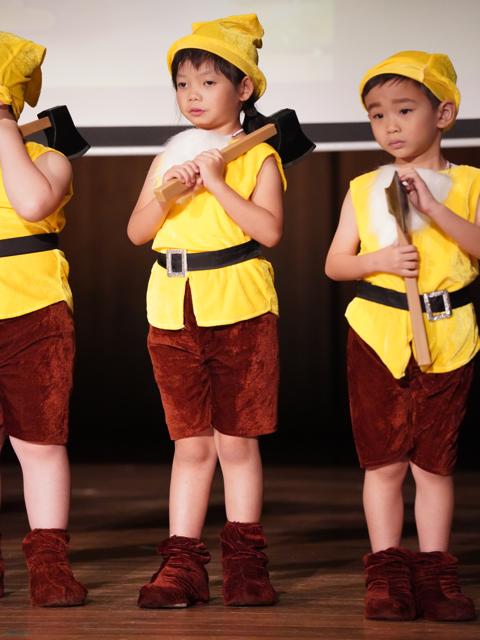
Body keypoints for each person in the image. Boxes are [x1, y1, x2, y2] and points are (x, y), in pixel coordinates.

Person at [127, 14, 286, 608]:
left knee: (237, 443)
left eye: (208, 82)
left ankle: (246, 564)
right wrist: (168, 191)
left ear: (244, 88)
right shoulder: (171, 155)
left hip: (240, 307)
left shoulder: (257, 156)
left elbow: (269, 231)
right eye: (183, 84)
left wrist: (217, 183)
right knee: (191, 445)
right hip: (173, 311)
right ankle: (183, 565)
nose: (193, 95)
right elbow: (137, 232)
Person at [325, 50, 479, 622]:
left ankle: (436, 572)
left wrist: (433, 209)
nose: (390, 125)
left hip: (449, 334)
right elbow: (336, 263)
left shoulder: (470, 183)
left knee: (434, 464)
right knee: (384, 461)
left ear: (444, 114)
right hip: (377, 333)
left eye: (404, 110)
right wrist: (381, 260)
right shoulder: (366, 187)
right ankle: (387, 572)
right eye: (377, 114)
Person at [0, 32, 87, 607]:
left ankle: (49, 561)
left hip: (34, 313)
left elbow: (31, 204)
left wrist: (4, 128)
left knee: (39, 442)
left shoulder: (47, 159)